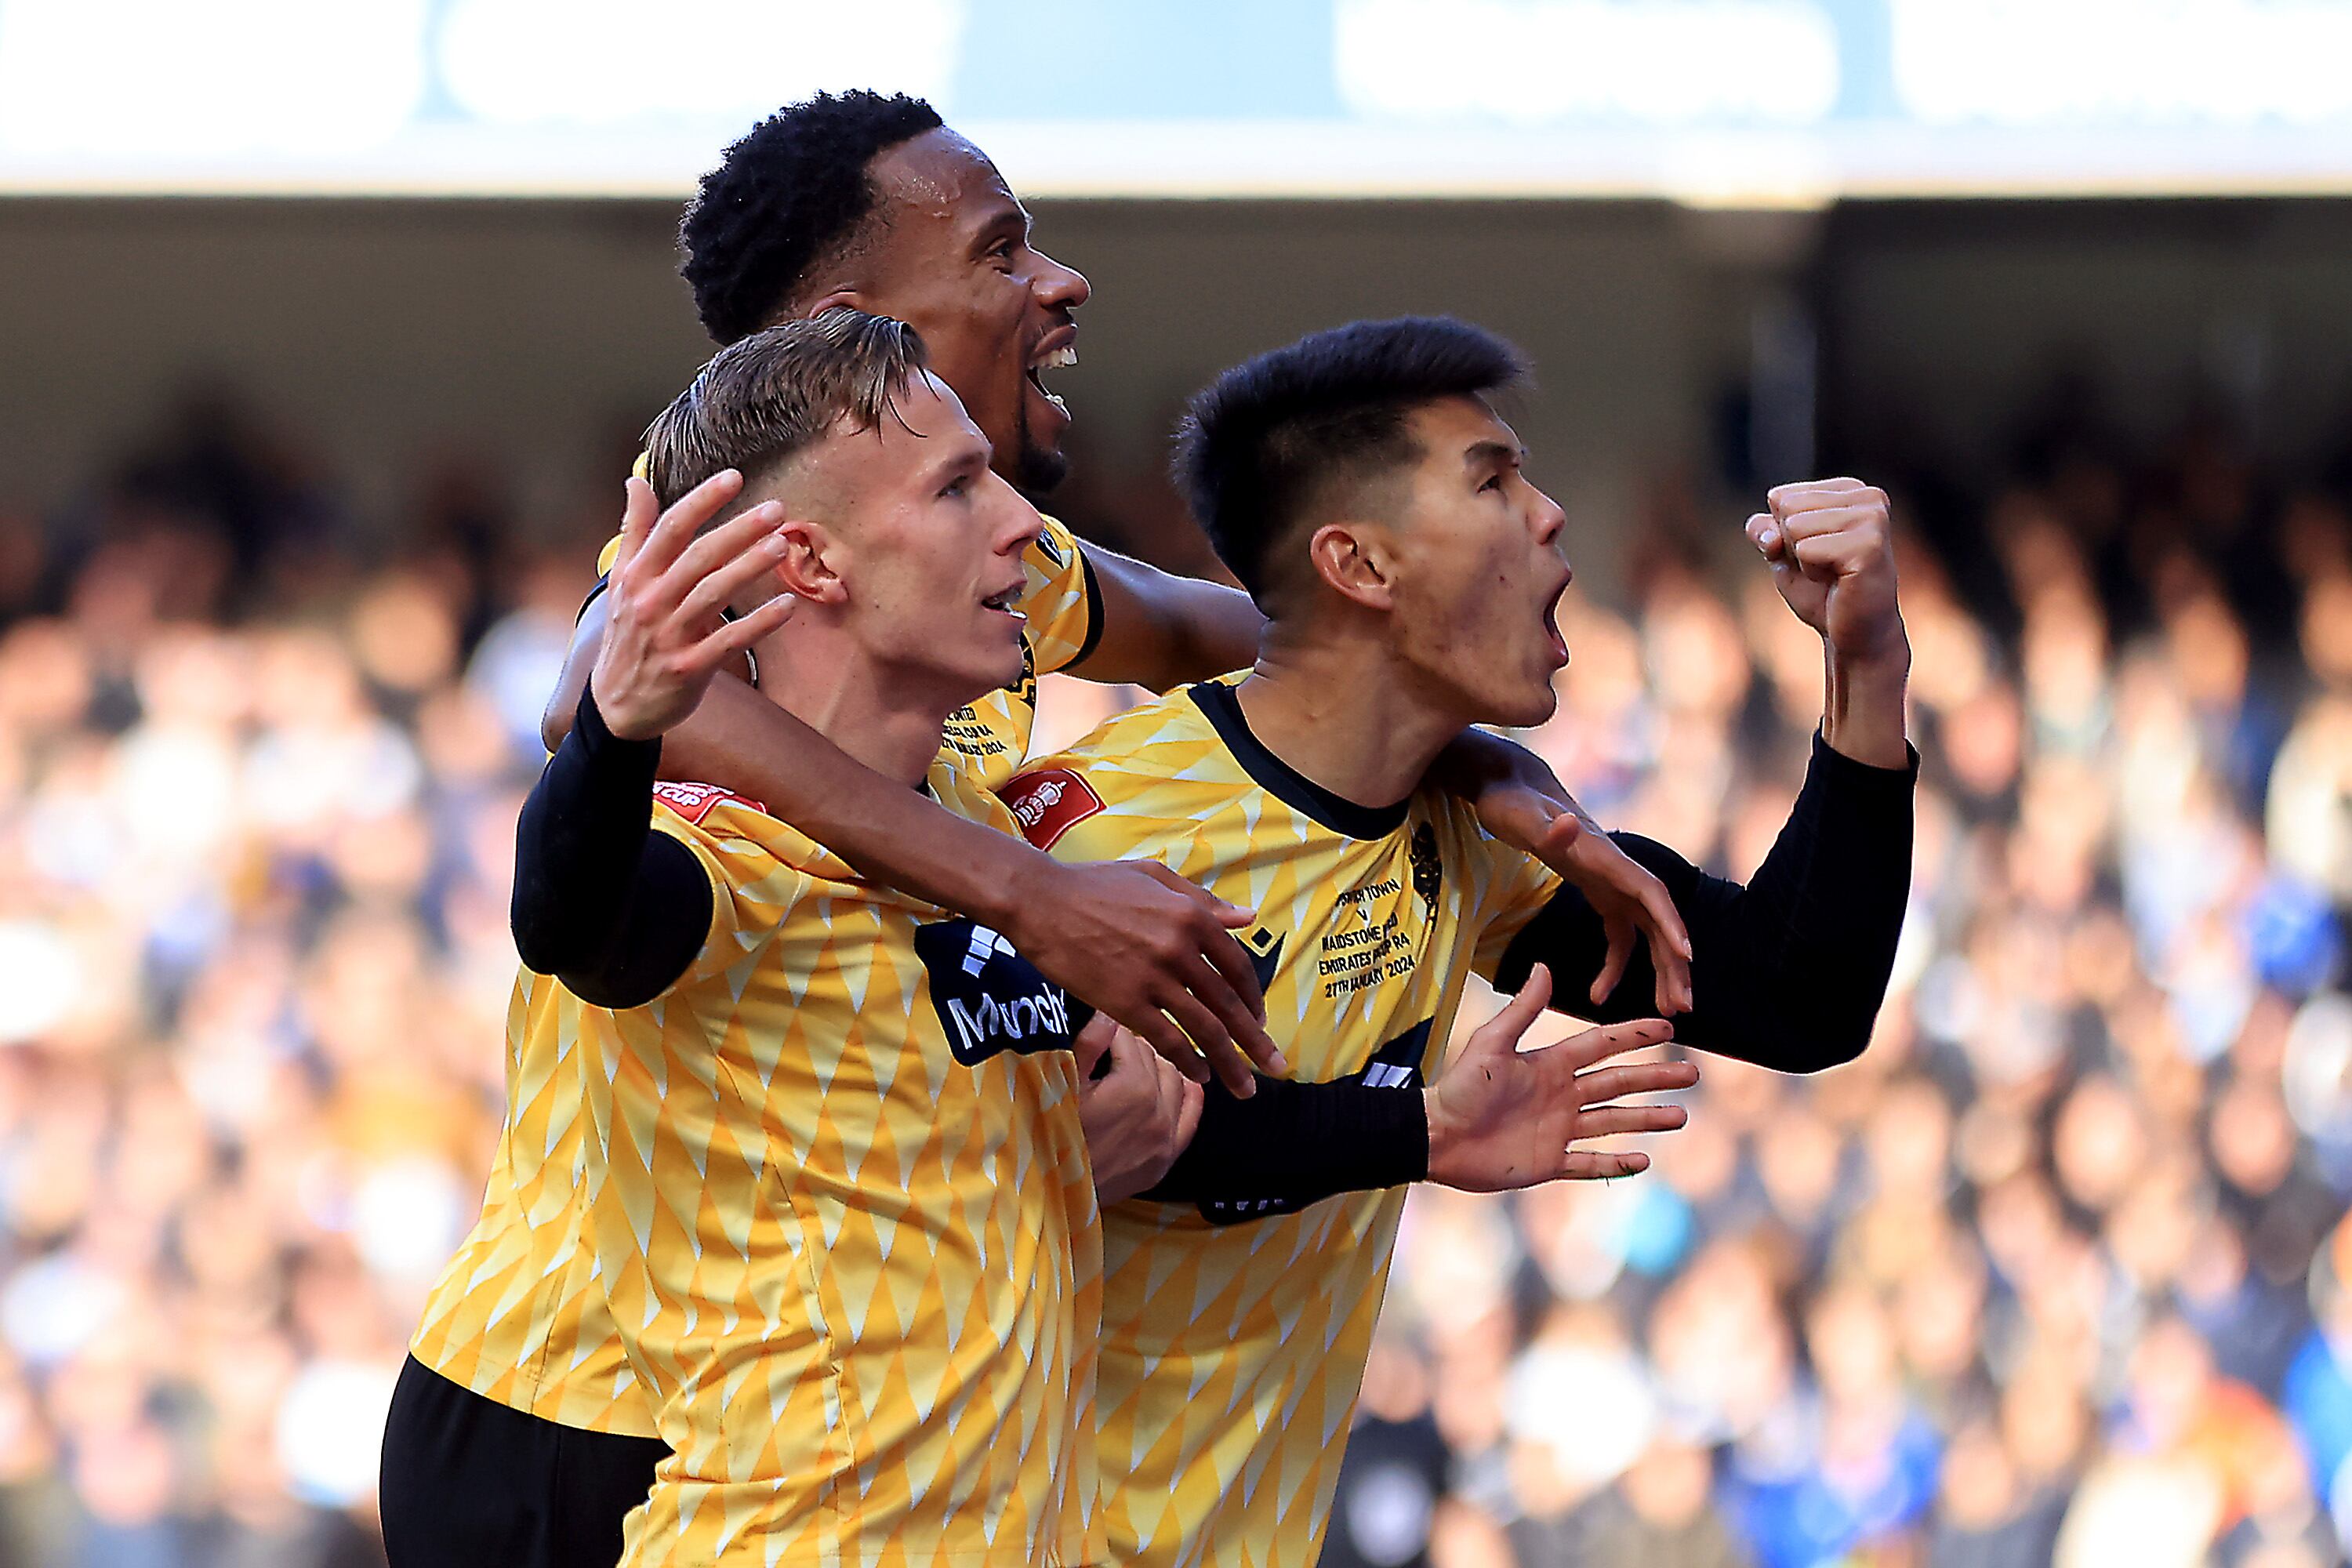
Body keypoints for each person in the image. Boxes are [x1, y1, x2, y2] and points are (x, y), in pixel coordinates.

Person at [385, 314, 1699, 1566]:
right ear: (811, 563)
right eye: (960, 490)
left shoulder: (986, 810)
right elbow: (576, 917)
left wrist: (1415, 1124)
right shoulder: (722, 854)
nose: (1022, 522)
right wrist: (619, 728)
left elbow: (1174, 1125)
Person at [996, 315, 1919, 1568]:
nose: (1548, 516)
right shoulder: (1089, 837)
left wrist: (1863, 675)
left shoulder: (1470, 837)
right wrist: (1421, 1131)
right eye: (1492, 478)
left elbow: (1795, 995)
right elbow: (1080, 1140)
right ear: (1360, 564)